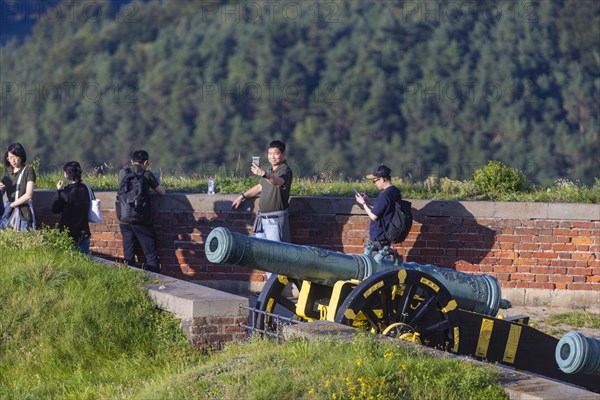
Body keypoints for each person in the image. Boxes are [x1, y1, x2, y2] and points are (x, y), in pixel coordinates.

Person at [231, 140, 293, 244]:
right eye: (270, 154)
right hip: (262, 219)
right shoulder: (269, 170)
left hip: (275, 220)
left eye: (276, 154)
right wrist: (242, 196)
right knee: (261, 253)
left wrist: (264, 174)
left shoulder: (285, 170)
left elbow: (279, 182)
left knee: (275, 253)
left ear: (283, 154)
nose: (272, 157)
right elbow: (260, 187)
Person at [117, 150, 166, 273]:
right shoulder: (147, 174)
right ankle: (154, 279)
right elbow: (162, 192)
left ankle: (129, 280)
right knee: (150, 253)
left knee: (128, 255)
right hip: (141, 220)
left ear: (132, 161)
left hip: (124, 220)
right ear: (145, 162)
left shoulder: (122, 173)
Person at [355, 164, 401, 254]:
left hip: (378, 238)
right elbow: (382, 209)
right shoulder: (395, 191)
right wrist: (368, 202)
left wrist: (363, 203)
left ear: (382, 179)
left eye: (375, 181)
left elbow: (373, 216)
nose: (375, 183)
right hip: (386, 235)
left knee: (373, 265)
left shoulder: (384, 195)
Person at [51, 161, 92, 254]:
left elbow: (55, 208)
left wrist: (59, 191)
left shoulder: (65, 192)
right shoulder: (87, 189)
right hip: (83, 232)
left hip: (68, 234)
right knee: (85, 262)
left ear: (66, 174)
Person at [0, 143, 36, 231]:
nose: (12, 160)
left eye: (15, 157)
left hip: (23, 212)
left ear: (21, 156)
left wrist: (13, 204)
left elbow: (28, 195)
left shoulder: (28, 170)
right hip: (8, 211)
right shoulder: (7, 171)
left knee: (24, 240)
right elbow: (3, 189)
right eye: (10, 158)